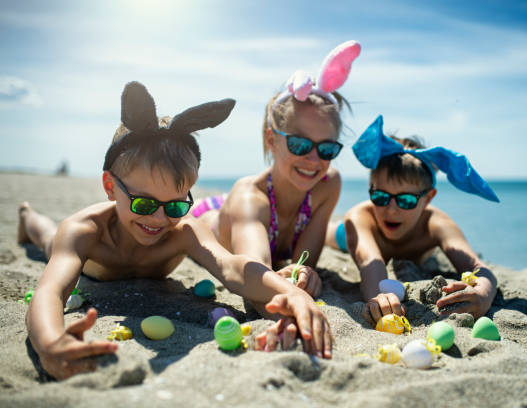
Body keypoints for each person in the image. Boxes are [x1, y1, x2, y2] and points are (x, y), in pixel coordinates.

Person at [18, 81, 332, 380]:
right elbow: (50, 292)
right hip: (95, 267)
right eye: (143, 204)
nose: (158, 219)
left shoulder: (182, 230)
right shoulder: (84, 231)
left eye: (174, 206)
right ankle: (27, 215)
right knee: (47, 237)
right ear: (110, 186)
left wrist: (288, 291)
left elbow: (232, 267)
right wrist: (49, 344)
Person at [192, 40, 361, 351]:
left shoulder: (327, 184)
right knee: (217, 218)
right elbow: (254, 270)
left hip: (268, 220)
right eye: (299, 144)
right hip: (216, 214)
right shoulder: (251, 197)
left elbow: (301, 262)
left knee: (332, 234)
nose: (313, 159)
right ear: (272, 140)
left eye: (326, 149)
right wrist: (288, 304)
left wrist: (302, 276)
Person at [325, 115, 500, 326]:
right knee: (329, 233)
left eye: (406, 200)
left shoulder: (435, 223)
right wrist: (379, 295)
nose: (391, 210)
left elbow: (479, 268)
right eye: (380, 196)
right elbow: (370, 263)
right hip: (352, 236)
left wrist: (482, 293)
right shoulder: (361, 216)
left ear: (428, 198)